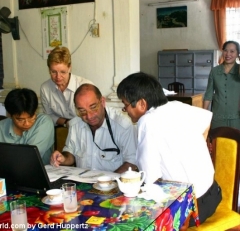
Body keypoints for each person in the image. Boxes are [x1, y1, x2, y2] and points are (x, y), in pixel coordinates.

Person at [117, 72, 222, 226]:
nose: (125, 110)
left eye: (125, 105)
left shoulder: (147, 122)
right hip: (213, 194)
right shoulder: (176, 105)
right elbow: (206, 119)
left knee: (129, 220)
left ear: (142, 104)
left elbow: (150, 178)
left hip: (191, 209)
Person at [50, 84, 137, 173]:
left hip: (113, 183)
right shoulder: (75, 125)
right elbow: (70, 154)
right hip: (83, 183)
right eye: (82, 111)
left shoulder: (123, 125)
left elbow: (132, 163)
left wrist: (110, 181)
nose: (89, 116)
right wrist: (63, 158)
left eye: (93, 108)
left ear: (102, 102)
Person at [40, 46, 93, 127]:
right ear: (49, 69)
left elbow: (94, 114)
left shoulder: (85, 85)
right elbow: (48, 116)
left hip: (86, 127)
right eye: (53, 72)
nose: (58, 77)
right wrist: (66, 122)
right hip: (61, 127)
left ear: (69, 68)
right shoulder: (45, 88)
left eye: (63, 72)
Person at [0, 88, 54, 165]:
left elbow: (29, 156)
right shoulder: (1, 127)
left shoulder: (43, 122)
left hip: (38, 173)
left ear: (35, 111)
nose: (27, 123)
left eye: (31, 117)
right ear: (9, 115)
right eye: (20, 120)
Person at [203, 40, 240, 129]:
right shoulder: (214, 71)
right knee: (217, 142)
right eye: (225, 50)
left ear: (237, 54)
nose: (228, 54)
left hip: (236, 118)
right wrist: (204, 115)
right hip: (217, 117)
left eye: (232, 51)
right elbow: (208, 94)